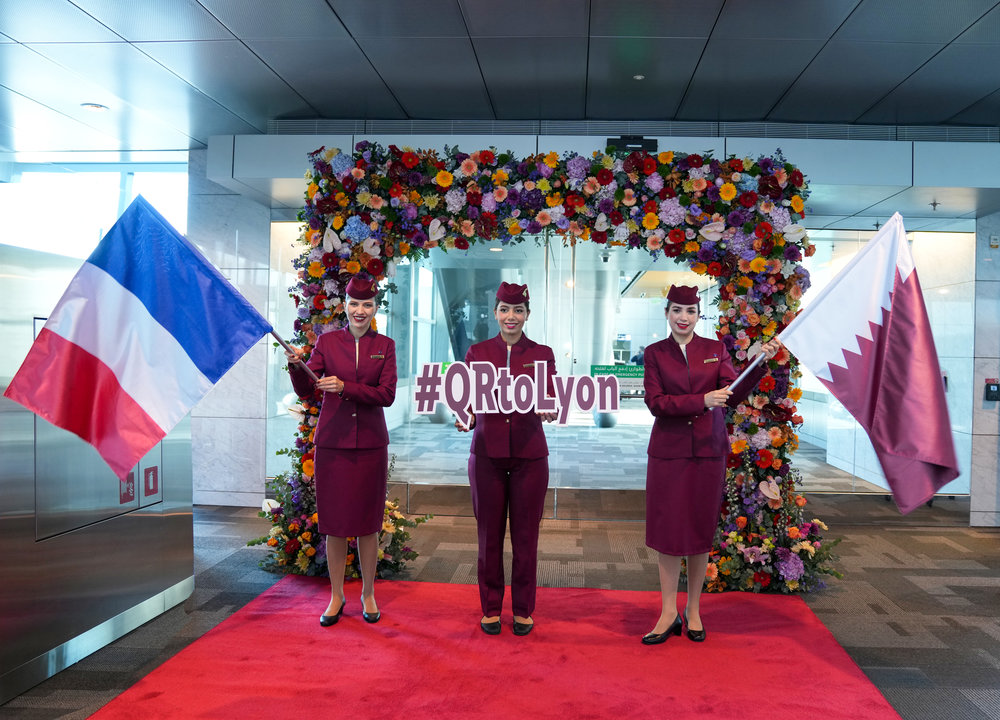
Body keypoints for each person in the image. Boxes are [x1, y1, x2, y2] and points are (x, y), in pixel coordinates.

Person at [641, 284, 780, 645]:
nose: (683, 317)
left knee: (699, 530)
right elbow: (656, 402)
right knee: (668, 531)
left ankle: (694, 610)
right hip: (668, 453)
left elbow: (732, 394)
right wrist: (701, 400)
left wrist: (758, 363)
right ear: (667, 313)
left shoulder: (714, 350)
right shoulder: (655, 353)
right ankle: (668, 611)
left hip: (708, 451)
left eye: (690, 311)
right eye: (676, 310)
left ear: (698, 315)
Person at [286, 275, 397, 627]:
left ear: (375, 308)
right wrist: (296, 365)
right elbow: (307, 389)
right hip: (333, 444)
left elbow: (387, 395)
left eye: (367, 304)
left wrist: (345, 387)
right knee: (334, 524)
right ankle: (336, 595)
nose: (360, 310)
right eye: (354, 304)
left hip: (370, 446)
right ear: (345, 306)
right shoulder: (328, 342)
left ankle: (368, 593)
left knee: (368, 524)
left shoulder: (386, 345)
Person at [457, 282, 557, 636]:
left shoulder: (542, 354)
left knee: (526, 537)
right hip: (487, 454)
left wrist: (550, 409)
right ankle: (490, 607)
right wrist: (464, 416)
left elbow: (551, 397)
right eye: (504, 310)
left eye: (518, 310)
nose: (510, 317)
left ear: (527, 314)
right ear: (495, 313)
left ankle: (523, 609)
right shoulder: (477, 352)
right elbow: (467, 401)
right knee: (488, 536)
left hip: (530, 455)